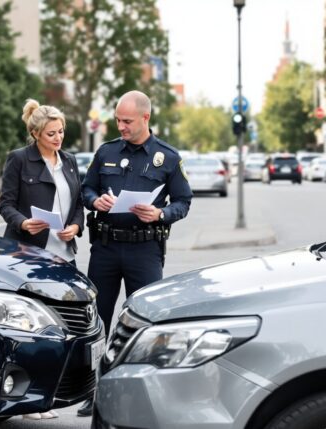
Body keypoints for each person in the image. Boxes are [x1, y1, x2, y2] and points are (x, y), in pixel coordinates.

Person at [77, 90, 192, 416]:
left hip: (145, 249)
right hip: (106, 248)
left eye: (126, 121)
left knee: (145, 321)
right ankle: (94, 391)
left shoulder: (166, 157)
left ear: (145, 118)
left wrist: (160, 214)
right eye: (117, 120)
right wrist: (94, 201)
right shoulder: (106, 151)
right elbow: (88, 187)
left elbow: (183, 201)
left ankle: (142, 392)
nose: (121, 126)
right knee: (97, 320)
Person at [0, 99, 84, 420]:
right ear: (35, 134)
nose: (58, 138)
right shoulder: (19, 160)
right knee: (31, 330)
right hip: (29, 256)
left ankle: (49, 395)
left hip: (64, 256)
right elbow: (6, 204)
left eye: (61, 131)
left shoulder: (71, 161)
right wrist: (22, 222)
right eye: (51, 133)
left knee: (63, 328)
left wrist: (76, 226)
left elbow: (78, 205)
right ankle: (26, 402)